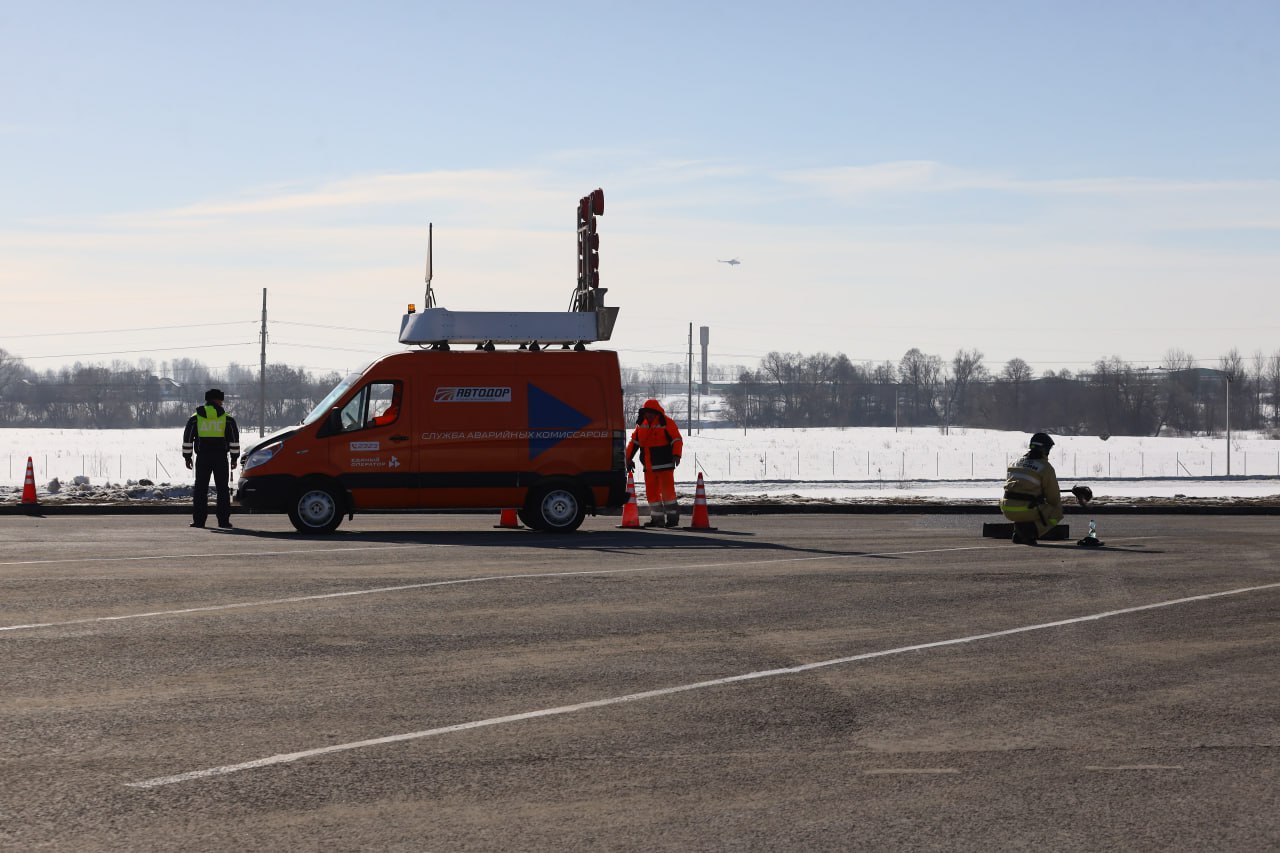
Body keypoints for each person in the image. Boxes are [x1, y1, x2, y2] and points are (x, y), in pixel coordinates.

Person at [182, 388, 240, 529]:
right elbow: (233, 439)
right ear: (219, 400)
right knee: (223, 490)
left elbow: (188, 438)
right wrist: (234, 458)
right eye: (221, 400)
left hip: (203, 458)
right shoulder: (227, 418)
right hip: (220, 458)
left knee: (201, 489)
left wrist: (187, 457)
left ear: (207, 400)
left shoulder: (195, 418)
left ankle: (199, 521)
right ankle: (224, 521)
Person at [625, 399, 684, 527]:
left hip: (665, 466)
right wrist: (627, 460)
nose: (649, 415)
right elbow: (633, 444)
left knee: (668, 494)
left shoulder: (667, 422)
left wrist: (676, 455)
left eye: (651, 413)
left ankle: (672, 520)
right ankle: (657, 520)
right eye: (647, 413)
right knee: (652, 495)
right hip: (649, 467)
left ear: (657, 412)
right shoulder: (641, 425)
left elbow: (677, 439)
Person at [999, 432, 1062, 545]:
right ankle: (1029, 533)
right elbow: (1053, 499)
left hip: (1006, 508)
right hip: (1024, 509)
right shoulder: (1045, 467)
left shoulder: (1014, 463)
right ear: (1045, 449)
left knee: (1031, 505)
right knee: (1057, 511)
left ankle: (1018, 533)